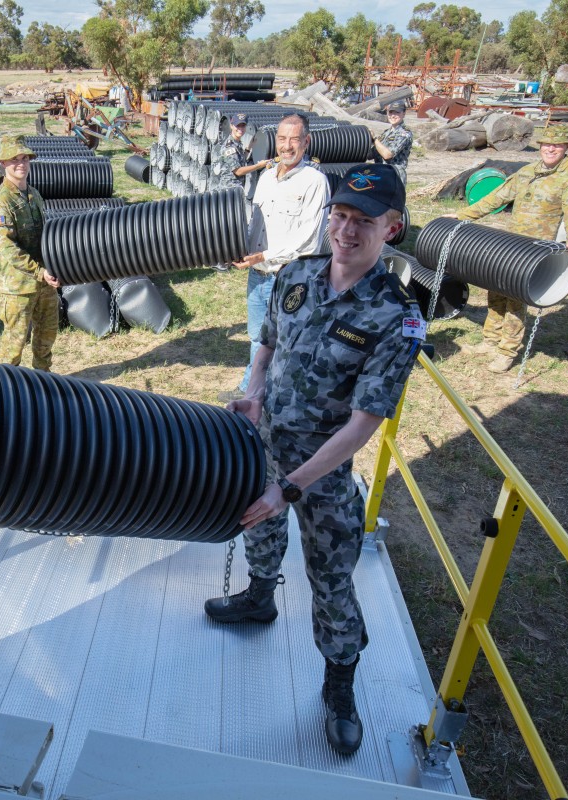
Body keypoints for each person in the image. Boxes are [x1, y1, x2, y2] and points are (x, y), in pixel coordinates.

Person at [205, 163, 425, 756]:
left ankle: (339, 687)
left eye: (364, 222)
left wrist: (292, 486)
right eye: (341, 216)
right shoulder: (296, 276)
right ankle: (258, 599)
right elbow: (267, 343)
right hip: (266, 444)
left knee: (331, 581)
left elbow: (362, 425)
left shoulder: (395, 318)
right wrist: (252, 393)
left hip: (322, 475)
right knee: (260, 527)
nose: (347, 232)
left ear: (393, 227)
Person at [445, 124, 568, 373]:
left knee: (515, 300)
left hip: (535, 251)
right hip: (510, 245)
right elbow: (498, 197)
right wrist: (463, 215)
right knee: (495, 289)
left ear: (567, 147)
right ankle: (490, 342)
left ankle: (507, 351)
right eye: (546, 144)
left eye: (557, 145)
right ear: (541, 146)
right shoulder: (528, 172)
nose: (550, 148)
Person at [223, 113, 330, 400]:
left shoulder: (314, 182)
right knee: (257, 335)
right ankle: (251, 389)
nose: (287, 146)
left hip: (287, 277)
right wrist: (237, 249)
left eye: (294, 139)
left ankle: (271, 396)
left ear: (306, 142)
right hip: (257, 274)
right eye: (282, 139)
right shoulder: (267, 177)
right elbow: (254, 223)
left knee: (283, 342)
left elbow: (309, 239)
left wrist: (264, 255)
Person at [0, 134, 61, 370]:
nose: (21, 163)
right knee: (13, 348)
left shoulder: (34, 195)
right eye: (14, 159)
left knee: (46, 339)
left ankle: (42, 384)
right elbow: (9, 249)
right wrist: (39, 272)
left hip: (45, 283)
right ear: (3, 164)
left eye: (25, 158)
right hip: (19, 287)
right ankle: (6, 394)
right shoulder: (2, 202)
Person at [211, 112, 272, 191]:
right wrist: (259, 166)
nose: (240, 129)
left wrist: (249, 147)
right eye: (238, 126)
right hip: (229, 190)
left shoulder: (237, 143)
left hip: (236, 189)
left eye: (243, 126)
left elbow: (240, 160)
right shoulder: (229, 147)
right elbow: (238, 171)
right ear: (232, 126)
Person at [371, 102, 413, 184]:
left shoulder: (404, 133)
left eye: (397, 112)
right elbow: (371, 154)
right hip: (381, 173)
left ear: (404, 114)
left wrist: (375, 139)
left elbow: (387, 155)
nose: (393, 115)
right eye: (390, 112)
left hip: (394, 175)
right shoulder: (386, 133)